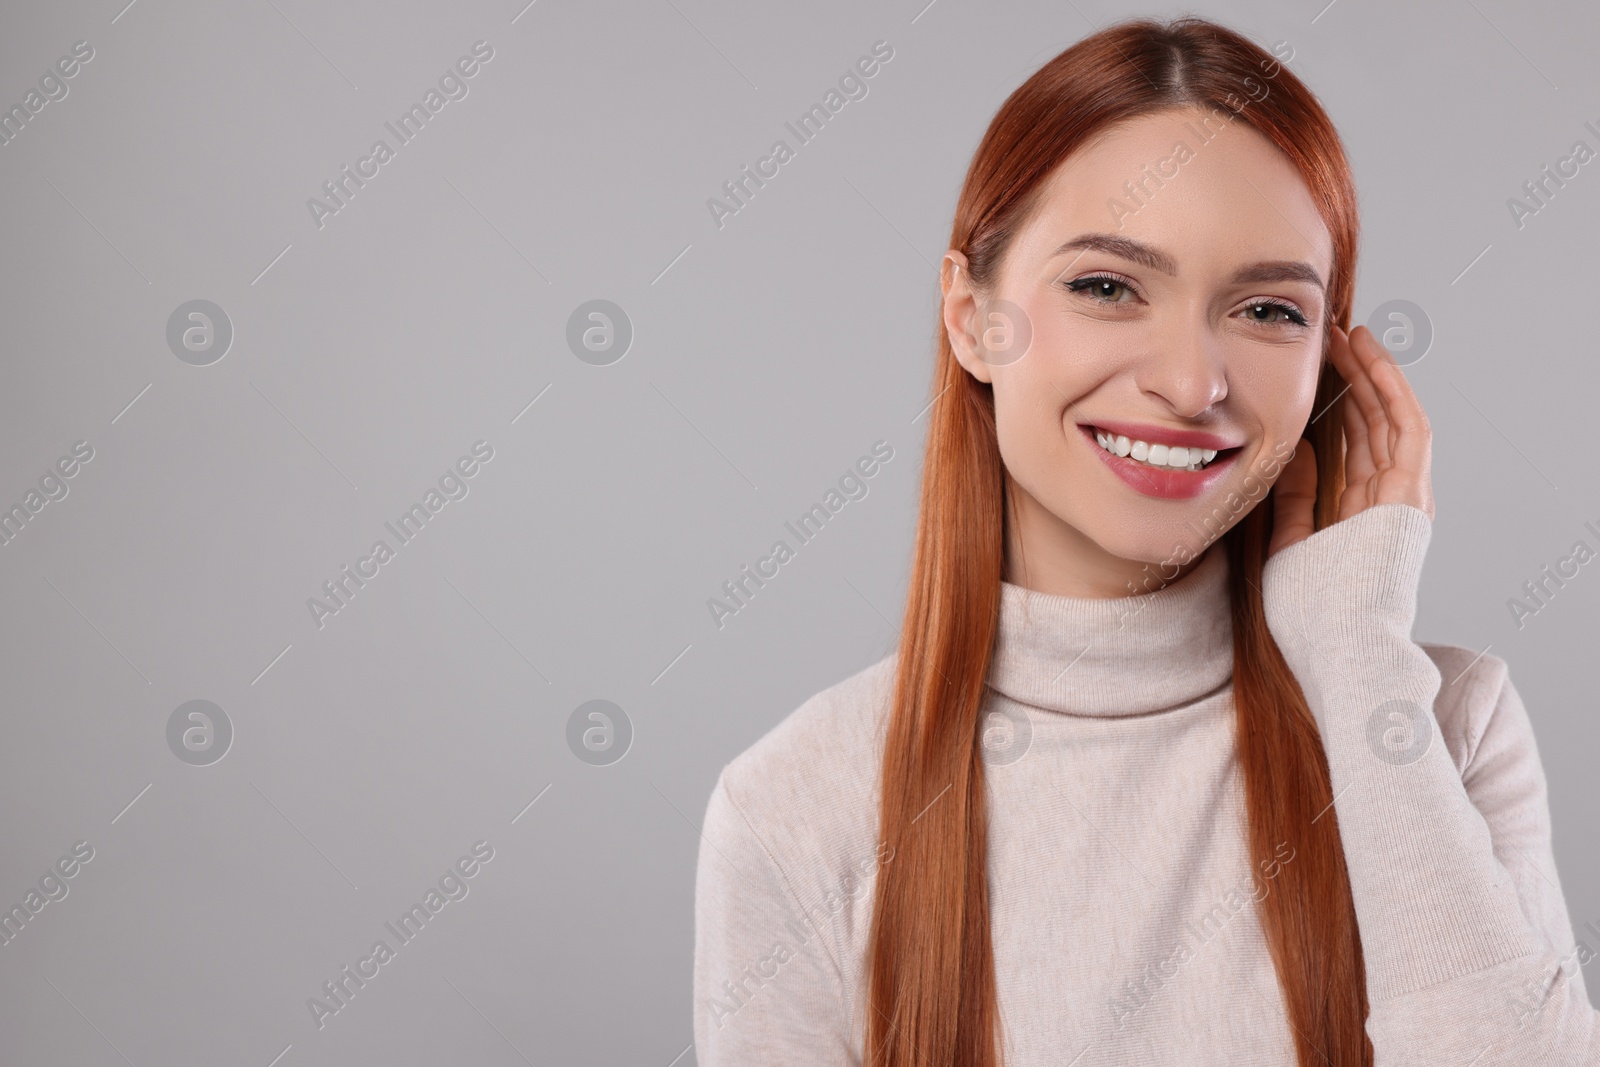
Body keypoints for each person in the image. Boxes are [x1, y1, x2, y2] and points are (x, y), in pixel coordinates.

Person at [691, 15, 1598, 1066]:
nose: (1190, 380)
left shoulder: (1437, 723)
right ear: (970, 316)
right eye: (1108, 286)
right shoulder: (795, 805)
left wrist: (1354, 655)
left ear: (1328, 368)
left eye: (1266, 308)